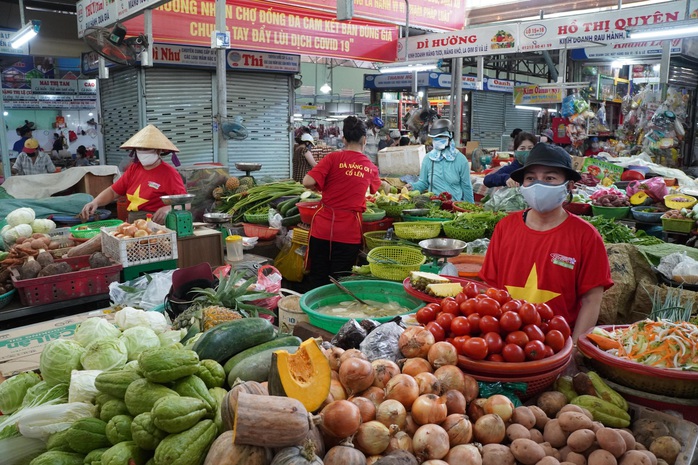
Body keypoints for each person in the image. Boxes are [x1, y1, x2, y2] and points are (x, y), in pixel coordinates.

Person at [479, 143, 613, 341]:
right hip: (506, 344)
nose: (538, 185)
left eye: (549, 178)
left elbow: (592, 300)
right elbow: (490, 288)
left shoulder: (587, 237)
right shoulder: (504, 228)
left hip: (557, 344)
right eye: (530, 178)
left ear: (569, 185)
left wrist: (575, 349)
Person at [303, 115, 381, 287]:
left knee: (317, 278)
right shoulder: (369, 166)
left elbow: (307, 182)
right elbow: (380, 188)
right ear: (364, 140)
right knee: (340, 283)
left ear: (343, 139)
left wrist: (321, 186)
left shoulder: (332, 158)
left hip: (323, 229)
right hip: (348, 232)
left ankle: (312, 311)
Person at [80, 124, 186, 224]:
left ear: (158, 151)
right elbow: (113, 192)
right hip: (133, 223)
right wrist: (95, 202)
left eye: (147, 149)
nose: (143, 152)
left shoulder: (169, 173)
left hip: (157, 225)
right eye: (140, 149)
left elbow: (186, 203)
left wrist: (168, 209)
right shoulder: (134, 168)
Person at [407, 118, 474, 202]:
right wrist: (413, 187)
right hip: (434, 206)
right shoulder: (428, 159)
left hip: (454, 206)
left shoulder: (461, 160)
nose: (437, 140)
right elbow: (423, 183)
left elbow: (466, 186)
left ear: (450, 136)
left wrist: (470, 207)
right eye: (435, 138)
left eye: (441, 137)